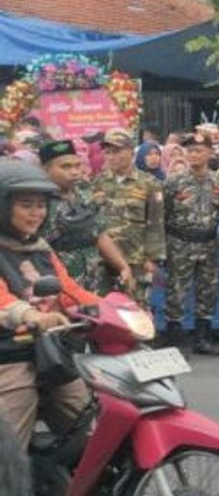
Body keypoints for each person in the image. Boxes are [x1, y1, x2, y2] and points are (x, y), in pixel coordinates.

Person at [0, 162, 99, 448]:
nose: (36, 213)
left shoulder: (40, 249)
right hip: (9, 357)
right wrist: (28, 313)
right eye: (26, 205)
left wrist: (120, 311)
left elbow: (69, 290)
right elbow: (4, 300)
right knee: (9, 452)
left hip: (50, 354)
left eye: (41, 205)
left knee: (88, 423)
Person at [36, 140, 132, 293]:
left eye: (77, 165)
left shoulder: (84, 194)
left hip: (96, 280)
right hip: (59, 282)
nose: (74, 172)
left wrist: (122, 266)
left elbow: (99, 235)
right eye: (65, 167)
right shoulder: (37, 201)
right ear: (46, 170)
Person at [162, 133, 219, 355]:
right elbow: (163, 214)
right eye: (189, 151)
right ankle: (174, 341)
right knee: (176, 292)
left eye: (198, 150)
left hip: (208, 244)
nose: (193, 155)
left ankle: (202, 338)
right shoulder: (173, 181)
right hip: (180, 242)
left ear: (210, 153)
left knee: (208, 292)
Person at [90, 129, 166, 305]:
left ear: (131, 152)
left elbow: (156, 223)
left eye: (117, 151)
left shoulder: (149, 184)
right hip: (103, 260)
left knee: (135, 307)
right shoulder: (97, 182)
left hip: (136, 259)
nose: (111, 157)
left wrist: (152, 258)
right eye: (108, 152)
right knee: (103, 308)